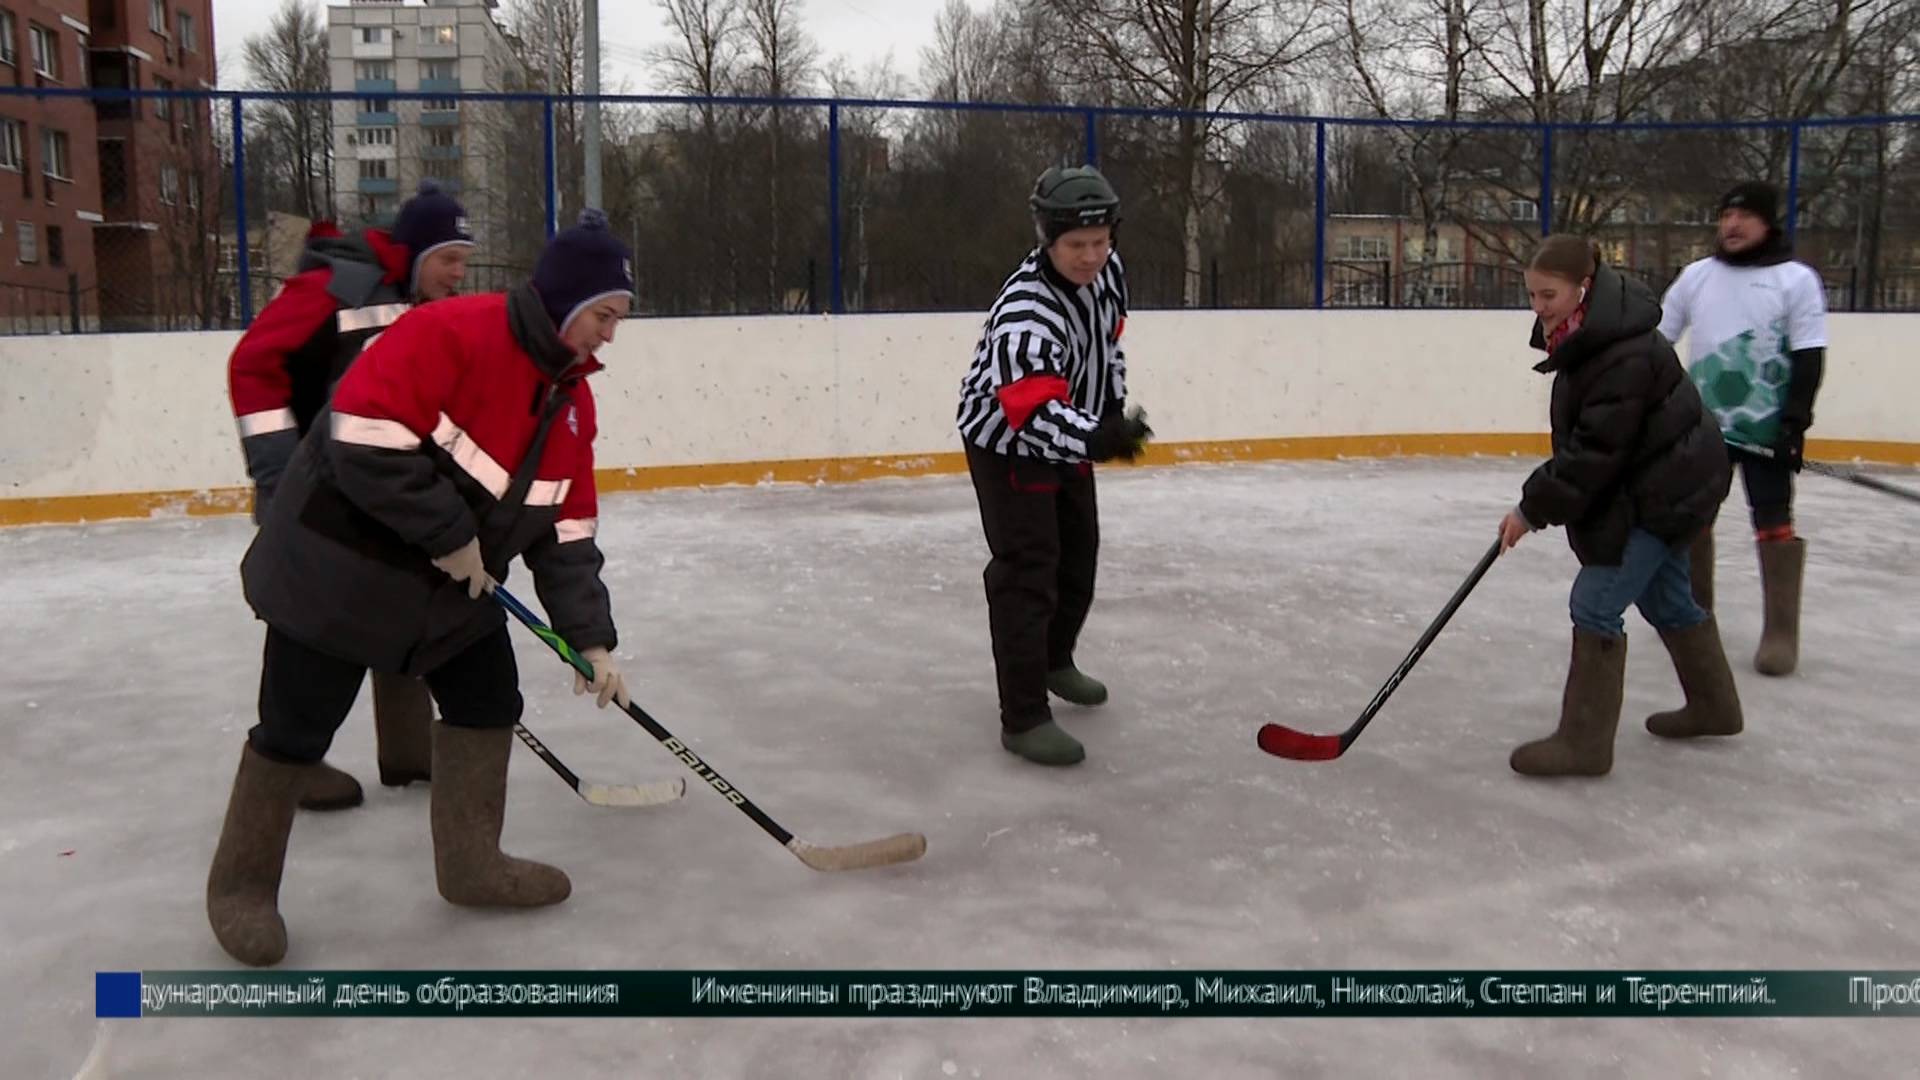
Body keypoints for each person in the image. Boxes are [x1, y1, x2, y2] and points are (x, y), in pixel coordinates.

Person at [205, 209, 636, 966]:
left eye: (617, 319)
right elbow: (362, 435)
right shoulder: (451, 333)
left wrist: (588, 638)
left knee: (488, 701)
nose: (609, 335)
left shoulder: (570, 401)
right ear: (566, 302)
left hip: (447, 591)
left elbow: (567, 530)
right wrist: (452, 534)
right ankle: (240, 888)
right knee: (297, 729)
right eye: (603, 314)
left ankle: (472, 865)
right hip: (338, 571)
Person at [225, 181, 475, 810]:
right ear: (414, 252)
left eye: (463, 260)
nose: (459, 273)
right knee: (308, 622)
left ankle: (409, 753)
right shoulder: (333, 285)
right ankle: (294, 758)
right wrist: (278, 472)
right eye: (450, 258)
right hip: (311, 491)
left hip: (380, 488)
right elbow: (251, 365)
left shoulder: (419, 302)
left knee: (398, 598)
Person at [1500, 235, 1743, 778]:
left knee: (1594, 603)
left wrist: (1531, 509)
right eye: (1532, 296)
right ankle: (1715, 705)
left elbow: (1595, 452)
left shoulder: (1621, 351)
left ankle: (1585, 744)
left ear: (1583, 288)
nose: (1537, 309)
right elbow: (1598, 449)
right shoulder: (1591, 334)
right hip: (1659, 479)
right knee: (1669, 599)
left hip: (1668, 490)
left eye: (1548, 295)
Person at [955, 164, 1153, 768]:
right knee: (1028, 571)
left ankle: (1054, 660)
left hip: (1071, 434)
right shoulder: (1026, 311)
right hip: (1010, 445)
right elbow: (1030, 412)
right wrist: (1094, 437)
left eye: (1101, 242)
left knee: (1078, 558)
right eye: (1076, 245)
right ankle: (1023, 718)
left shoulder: (1108, 274)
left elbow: (1107, 344)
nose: (1091, 256)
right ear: (1047, 238)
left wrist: (1111, 407)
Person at [1657, 181, 1828, 676]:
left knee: (1773, 520)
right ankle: (1694, 618)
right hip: (1702, 429)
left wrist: (1794, 425)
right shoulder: (1696, 277)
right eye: (1726, 215)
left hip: (1766, 431)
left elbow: (1809, 356)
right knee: (1694, 521)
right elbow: (1658, 340)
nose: (1732, 224)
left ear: (1768, 223)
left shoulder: (1795, 280)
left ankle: (1779, 634)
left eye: (1745, 215)